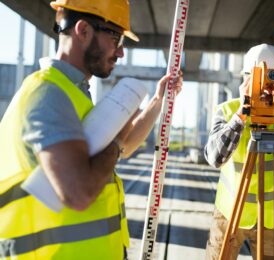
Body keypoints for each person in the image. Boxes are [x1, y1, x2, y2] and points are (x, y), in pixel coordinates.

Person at [0, 0, 182, 259]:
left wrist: (158, 101)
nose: (121, 53)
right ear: (83, 30)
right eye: (116, 39)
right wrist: (116, 143)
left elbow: (123, 147)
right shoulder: (48, 94)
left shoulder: (71, 94)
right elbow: (79, 192)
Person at [204, 43, 274, 260]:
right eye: (261, 78)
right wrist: (240, 117)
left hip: (271, 218)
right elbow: (214, 158)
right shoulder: (228, 111)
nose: (268, 88)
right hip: (229, 215)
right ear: (246, 79)